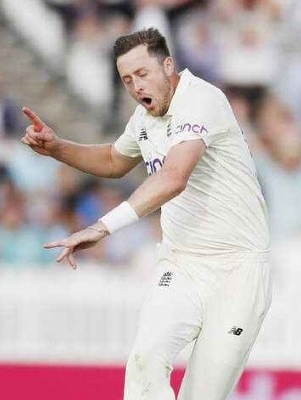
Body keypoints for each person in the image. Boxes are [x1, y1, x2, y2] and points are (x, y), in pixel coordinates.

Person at [21, 28, 270, 400]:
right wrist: (58, 148)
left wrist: (103, 227)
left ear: (168, 65)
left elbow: (174, 178)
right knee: (145, 361)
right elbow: (112, 160)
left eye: (143, 73)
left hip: (239, 270)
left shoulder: (201, 99)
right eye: (126, 80)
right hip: (182, 264)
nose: (136, 87)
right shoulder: (143, 119)